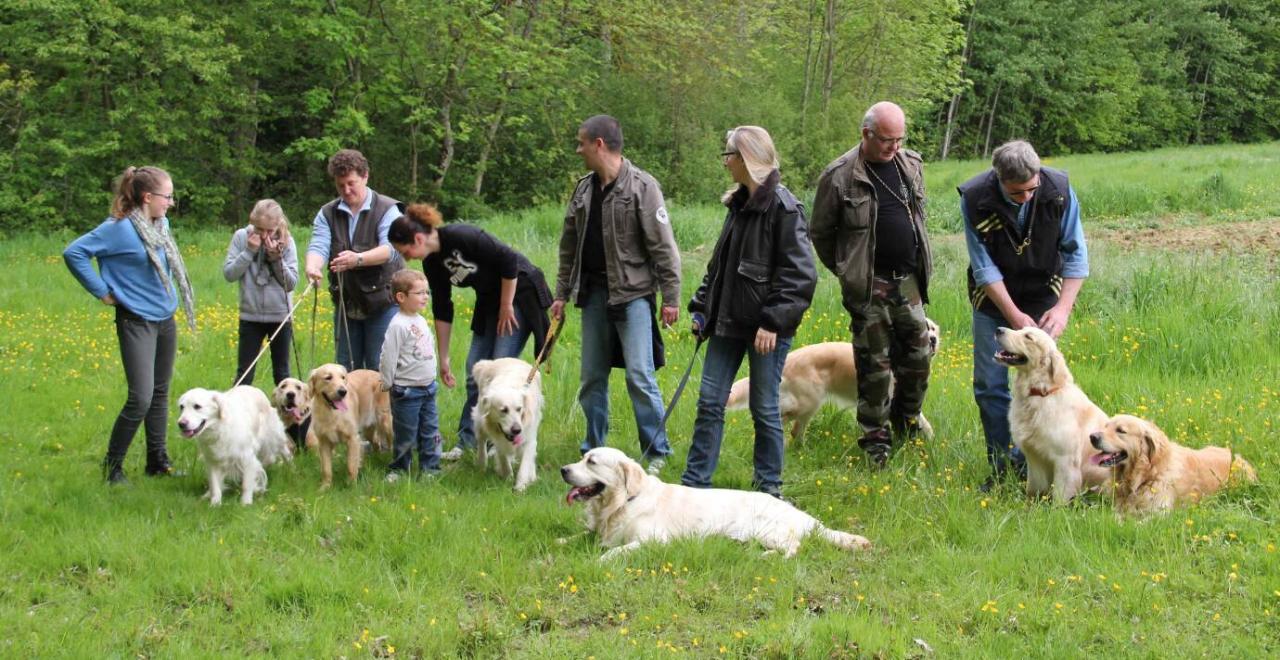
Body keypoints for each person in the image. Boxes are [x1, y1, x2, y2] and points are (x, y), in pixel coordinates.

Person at [680, 126, 817, 498]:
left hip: (766, 332)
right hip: (725, 324)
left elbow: (800, 276)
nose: (725, 162)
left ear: (748, 158)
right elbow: (718, 268)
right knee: (710, 402)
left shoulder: (785, 208)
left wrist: (773, 321)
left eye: (730, 154)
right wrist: (700, 309)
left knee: (764, 408)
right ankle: (695, 485)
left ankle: (768, 491)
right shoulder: (738, 204)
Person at [551, 114, 682, 474]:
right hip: (592, 296)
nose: (578, 150)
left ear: (599, 145)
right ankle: (592, 450)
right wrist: (561, 293)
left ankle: (656, 453)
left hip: (634, 296)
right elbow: (568, 248)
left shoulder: (643, 187)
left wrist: (670, 298)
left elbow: (664, 248)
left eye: (581, 143)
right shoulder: (583, 190)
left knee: (639, 376)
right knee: (592, 378)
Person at [810, 101, 935, 469]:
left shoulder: (910, 164)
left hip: (908, 281)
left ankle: (906, 422)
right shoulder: (840, 175)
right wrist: (848, 271)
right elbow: (821, 233)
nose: (894, 146)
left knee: (919, 357)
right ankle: (875, 443)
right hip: (869, 287)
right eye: (886, 140)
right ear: (866, 134)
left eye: (899, 138)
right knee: (875, 368)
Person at [959, 139, 1089, 491]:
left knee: (1043, 383)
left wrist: (1062, 309)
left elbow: (1076, 255)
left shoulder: (1058, 191)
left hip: (1043, 296)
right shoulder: (974, 198)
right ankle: (1003, 467)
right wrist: (1012, 315)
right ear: (998, 178)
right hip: (994, 301)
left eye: (1032, 189)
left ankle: (1044, 461)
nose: (1027, 198)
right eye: (1017, 193)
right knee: (990, 384)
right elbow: (983, 268)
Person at [64, 166, 196, 484]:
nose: (171, 202)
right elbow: (74, 252)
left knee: (161, 392)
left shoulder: (160, 223)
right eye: (167, 196)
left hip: (165, 316)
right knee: (141, 397)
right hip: (136, 319)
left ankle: (157, 462)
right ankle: (113, 469)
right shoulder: (119, 228)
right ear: (147, 197)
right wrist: (102, 292)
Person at [388, 203, 552, 460]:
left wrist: (506, 305)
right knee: (474, 370)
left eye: (405, 250)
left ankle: (504, 440)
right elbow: (443, 307)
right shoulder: (432, 263)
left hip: (518, 293)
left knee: (498, 369)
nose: (406, 258)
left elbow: (509, 260)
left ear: (418, 238)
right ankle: (471, 439)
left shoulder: (462, 235)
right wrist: (443, 358)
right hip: (489, 300)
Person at [304, 149, 404, 371]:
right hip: (346, 301)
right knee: (345, 370)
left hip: (384, 302)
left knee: (379, 370)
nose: (346, 190)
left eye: (351, 183)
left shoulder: (388, 209)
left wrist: (357, 259)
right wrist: (312, 267)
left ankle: (382, 407)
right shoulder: (327, 213)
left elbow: (393, 250)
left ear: (365, 176)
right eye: (340, 186)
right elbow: (319, 245)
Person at [222, 199, 299, 386]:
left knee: (282, 374)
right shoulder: (241, 237)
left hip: (280, 317)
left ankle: (288, 414)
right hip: (251, 316)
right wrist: (249, 252)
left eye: (269, 231)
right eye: (259, 229)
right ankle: (237, 414)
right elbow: (229, 274)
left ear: (277, 224)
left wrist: (276, 259)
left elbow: (291, 284)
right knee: (244, 374)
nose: (264, 235)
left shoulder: (287, 241)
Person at [379, 269, 441, 481]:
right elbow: (388, 356)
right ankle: (400, 469)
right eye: (420, 293)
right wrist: (387, 383)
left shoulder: (420, 320)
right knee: (405, 432)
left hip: (428, 387)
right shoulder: (398, 325)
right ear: (401, 297)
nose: (426, 297)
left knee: (431, 430)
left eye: (427, 292)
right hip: (406, 391)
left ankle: (431, 468)